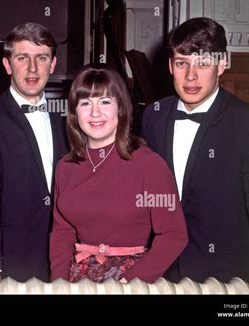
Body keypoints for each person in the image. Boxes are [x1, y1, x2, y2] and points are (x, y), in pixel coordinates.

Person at [141, 17, 249, 293]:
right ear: (171, 66)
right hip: (163, 276)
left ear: (222, 64)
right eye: (182, 63)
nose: (191, 76)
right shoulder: (153, 117)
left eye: (203, 63)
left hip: (225, 279)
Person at [50, 65, 187, 283]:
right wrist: (58, 283)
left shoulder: (149, 165)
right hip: (79, 281)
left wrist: (131, 281)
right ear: (75, 112)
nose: (95, 113)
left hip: (131, 281)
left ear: (121, 108)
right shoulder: (65, 167)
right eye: (85, 103)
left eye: (105, 101)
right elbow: (62, 233)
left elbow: (174, 235)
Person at [0, 22, 67, 282]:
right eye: (22, 58)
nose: (33, 68)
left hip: (64, 257)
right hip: (11, 256)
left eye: (41, 58)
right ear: (7, 65)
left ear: (52, 64)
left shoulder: (70, 117)